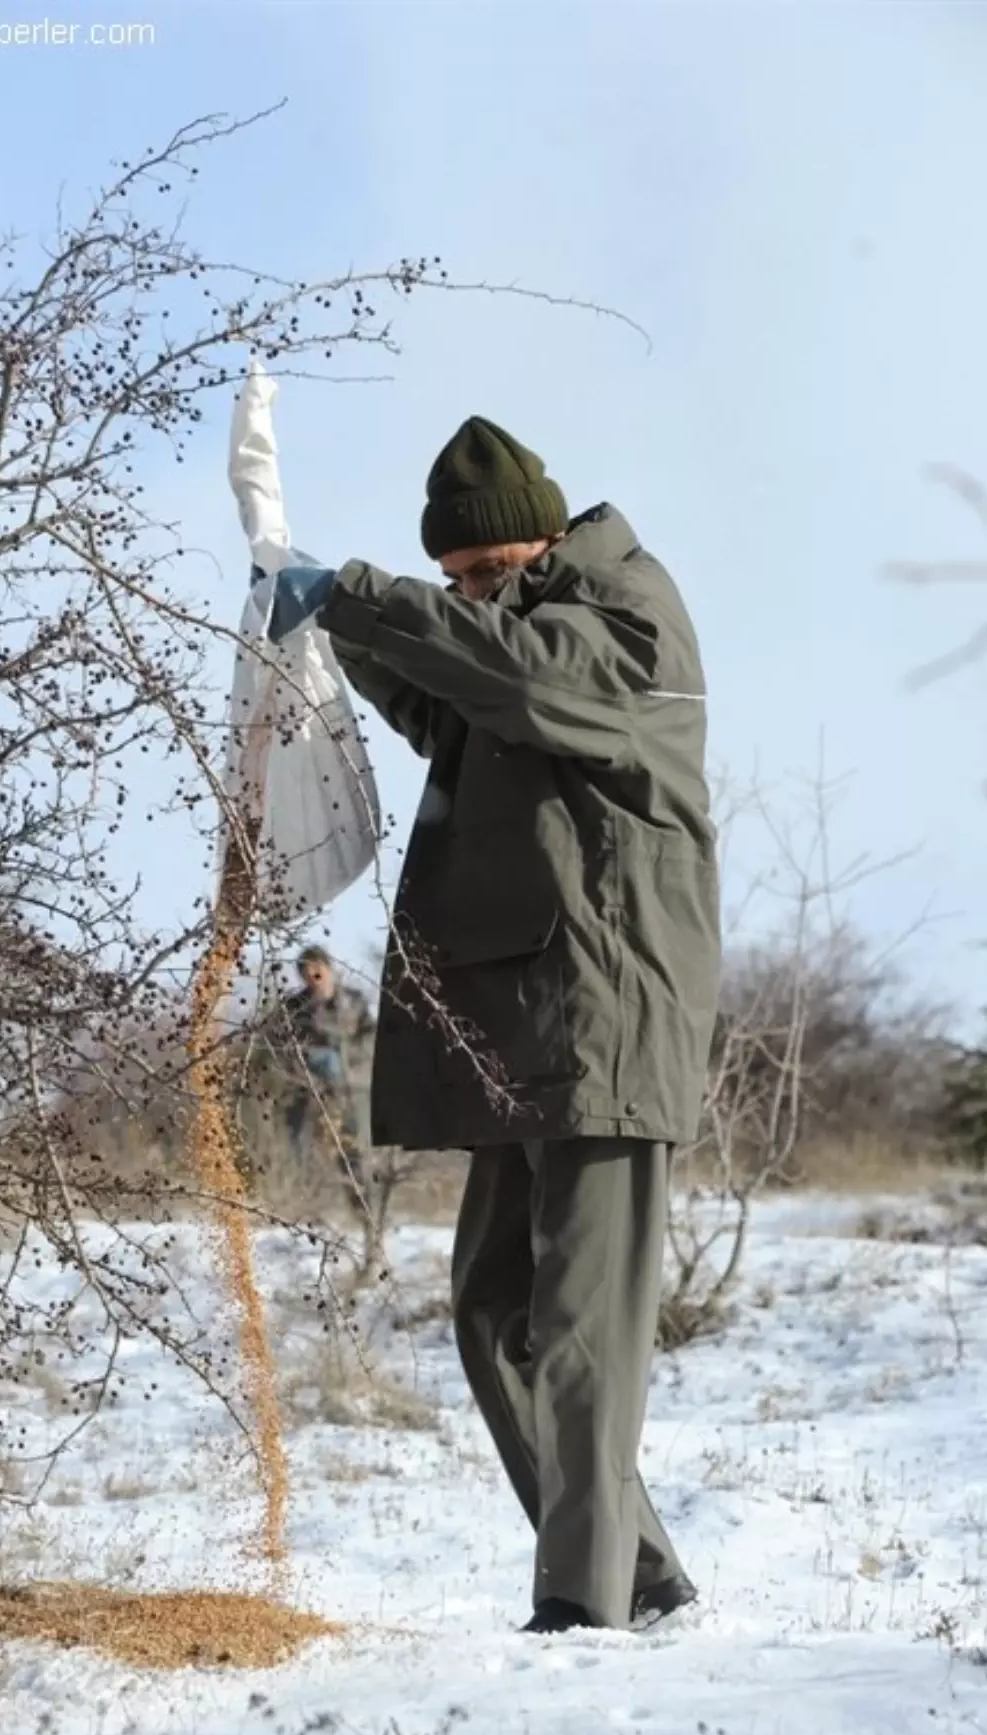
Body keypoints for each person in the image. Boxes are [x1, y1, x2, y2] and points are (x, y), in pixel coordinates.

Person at [272, 418, 721, 1635]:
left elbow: (523, 679)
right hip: (530, 1017)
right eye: (458, 581)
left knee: (579, 1327)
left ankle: (582, 1605)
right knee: (489, 1312)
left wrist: (363, 595)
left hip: (608, 1011)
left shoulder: (624, 611)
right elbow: (459, 706)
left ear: (543, 531)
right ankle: (642, 1571)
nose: (473, 592)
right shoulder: (522, 624)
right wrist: (330, 632)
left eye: (485, 571)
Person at [268, 945, 374, 1193]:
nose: (313, 975)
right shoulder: (295, 1006)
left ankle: (363, 1211)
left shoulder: (354, 1002)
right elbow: (278, 1043)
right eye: (306, 971)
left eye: (318, 969)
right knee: (299, 1147)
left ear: (329, 969)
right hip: (306, 1087)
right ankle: (304, 1206)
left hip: (348, 1088)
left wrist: (343, 1052)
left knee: (353, 1152)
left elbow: (370, 1040)